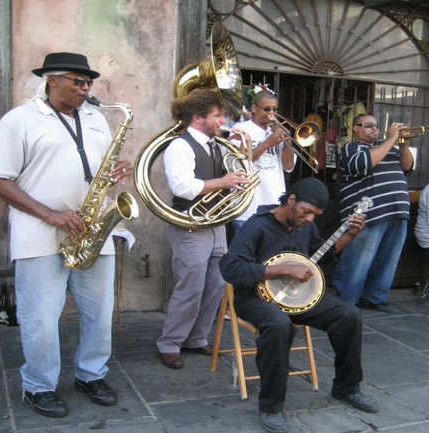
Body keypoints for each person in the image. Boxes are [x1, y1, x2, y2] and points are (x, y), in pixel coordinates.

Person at [0, 52, 132, 417]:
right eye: (77, 81)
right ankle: (38, 385)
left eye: (88, 82)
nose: (85, 88)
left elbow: (99, 169)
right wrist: (51, 215)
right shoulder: (19, 121)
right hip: (40, 231)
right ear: (51, 80)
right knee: (40, 316)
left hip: (91, 229)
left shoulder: (96, 119)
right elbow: (1, 180)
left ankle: (91, 373)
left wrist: (118, 170)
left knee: (98, 312)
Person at [220, 177, 378, 433]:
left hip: (296, 297)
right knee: (279, 325)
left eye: (315, 215)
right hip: (254, 298)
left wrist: (349, 235)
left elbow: (320, 256)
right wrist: (281, 269)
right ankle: (271, 407)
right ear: (291, 200)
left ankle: (347, 388)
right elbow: (231, 268)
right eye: (306, 211)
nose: (310, 219)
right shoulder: (257, 226)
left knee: (348, 315)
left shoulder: (305, 227)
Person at [157, 88, 250, 369]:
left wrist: (243, 150)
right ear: (198, 117)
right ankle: (170, 343)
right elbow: (183, 188)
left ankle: (196, 338)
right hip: (190, 225)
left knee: (216, 285)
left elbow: (239, 172)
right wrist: (223, 182)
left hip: (215, 224)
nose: (223, 121)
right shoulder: (179, 146)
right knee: (191, 287)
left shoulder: (216, 144)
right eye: (218, 115)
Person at [333, 113, 413, 310]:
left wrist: (402, 145)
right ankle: (346, 301)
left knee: (388, 260)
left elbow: (407, 166)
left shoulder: (390, 148)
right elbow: (363, 165)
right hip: (367, 213)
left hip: (396, 210)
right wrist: (392, 138)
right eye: (368, 125)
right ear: (355, 128)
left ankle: (374, 298)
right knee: (358, 259)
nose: (374, 129)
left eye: (376, 126)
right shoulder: (351, 148)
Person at [230, 86, 296, 233]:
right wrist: (267, 143)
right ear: (254, 108)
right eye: (267, 109)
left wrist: (288, 143)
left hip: (274, 206)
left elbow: (289, 166)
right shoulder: (241, 128)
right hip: (248, 208)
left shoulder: (276, 131)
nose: (272, 114)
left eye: (275, 109)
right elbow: (240, 163)